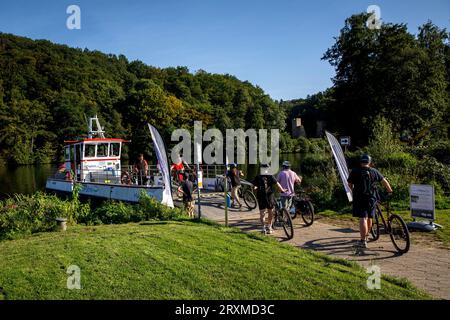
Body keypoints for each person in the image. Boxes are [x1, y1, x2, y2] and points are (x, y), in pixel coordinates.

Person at [347, 154, 393, 249]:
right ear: (370, 162)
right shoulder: (374, 171)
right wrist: (390, 191)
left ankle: (363, 241)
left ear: (361, 162)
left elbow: (350, 184)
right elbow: (384, 181)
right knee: (370, 217)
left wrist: (353, 192)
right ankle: (367, 236)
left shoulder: (355, 171)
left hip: (360, 198)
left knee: (363, 218)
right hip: (372, 197)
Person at [253, 164, 288, 234]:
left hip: (261, 197)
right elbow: (277, 184)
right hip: (269, 196)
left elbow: (254, 185)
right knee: (270, 212)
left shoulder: (258, 176)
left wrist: (255, 188)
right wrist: (282, 190)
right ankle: (269, 227)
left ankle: (263, 228)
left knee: (262, 213)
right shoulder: (270, 176)